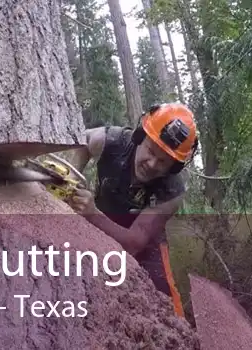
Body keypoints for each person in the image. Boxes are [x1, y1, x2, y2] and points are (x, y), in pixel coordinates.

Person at [65, 103, 199, 318]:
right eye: (150, 151)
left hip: (144, 241)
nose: (152, 164)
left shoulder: (172, 191)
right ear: (139, 137)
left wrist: (91, 213)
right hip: (101, 219)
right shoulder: (113, 140)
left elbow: (135, 244)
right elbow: (84, 141)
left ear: (174, 167)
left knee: (166, 301)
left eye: (163, 162)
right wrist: (71, 178)